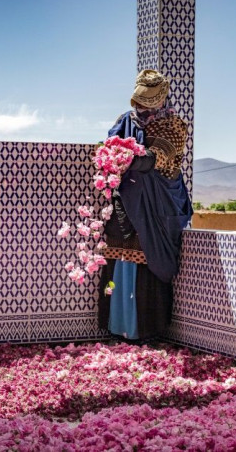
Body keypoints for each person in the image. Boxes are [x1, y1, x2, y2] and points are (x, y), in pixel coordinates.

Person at [98, 69, 193, 340]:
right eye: (140, 101)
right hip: (125, 200)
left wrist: (132, 159)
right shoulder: (124, 121)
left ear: (162, 99)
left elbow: (161, 157)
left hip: (157, 205)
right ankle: (118, 327)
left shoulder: (173, 125)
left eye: (149, 101)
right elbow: (107, 145)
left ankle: (147, 330)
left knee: (148, 260)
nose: (143, 107)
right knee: (119, 255)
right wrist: (110, 155)